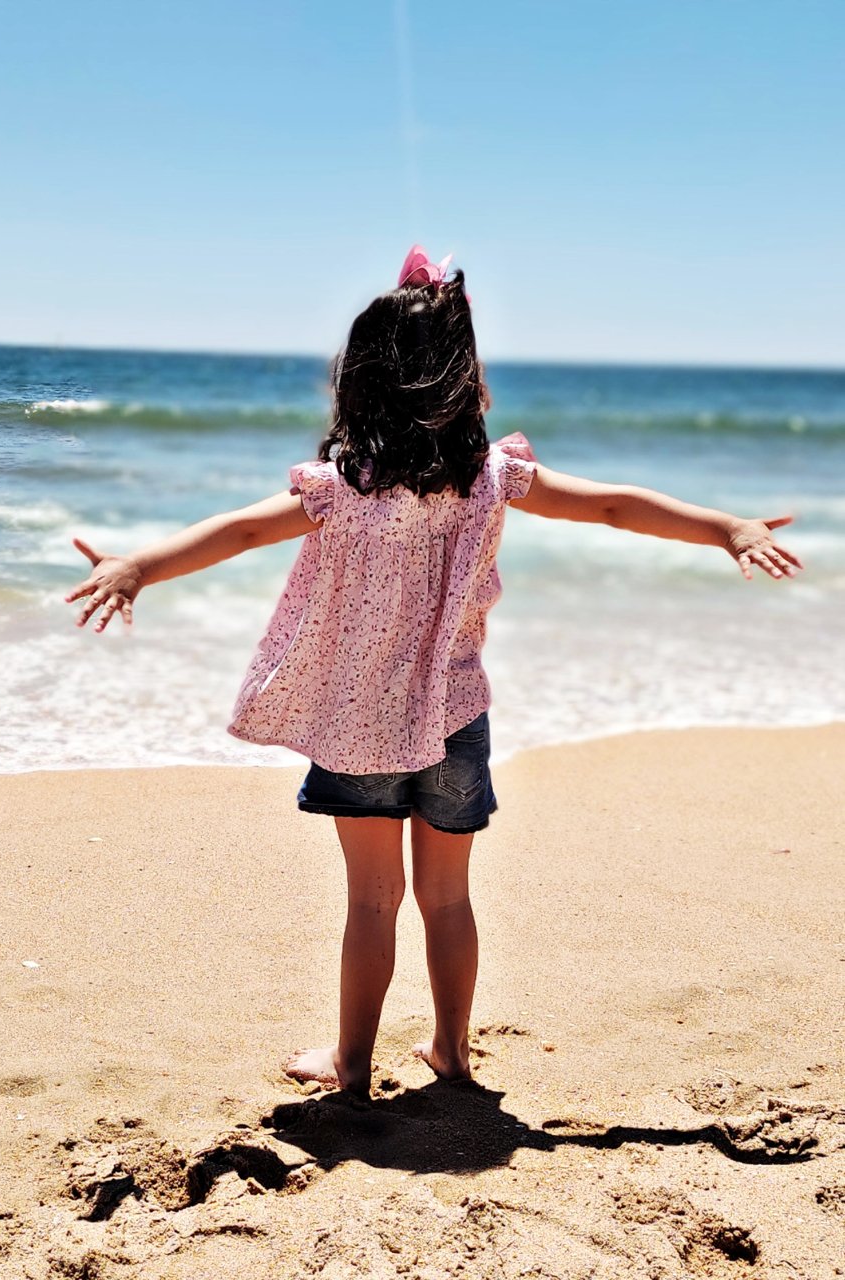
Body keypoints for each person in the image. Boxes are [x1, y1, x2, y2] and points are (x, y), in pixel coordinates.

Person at [62, 245, 802, 1098]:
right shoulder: (495, 477)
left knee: (372, 901)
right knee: (446, 898)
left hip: (357, 724)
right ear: (466, 381)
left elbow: (236, 532)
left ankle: (352, 1069)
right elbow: (610, 504)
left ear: (360, 382)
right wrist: (726, 529)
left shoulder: (343, 484)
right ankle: (450, 1051)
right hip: (454, 717)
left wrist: (137, 568)